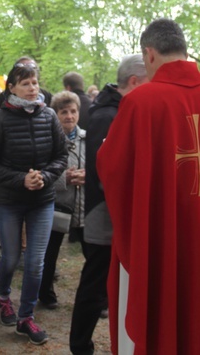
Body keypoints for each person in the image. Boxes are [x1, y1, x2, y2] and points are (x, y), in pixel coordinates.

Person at [98, 19, 200, 354]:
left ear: (149, 54)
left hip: (163, 234)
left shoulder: (140, 102)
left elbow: (112, 167)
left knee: (165, 298)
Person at [0, 62, 68, 346]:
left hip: (42, 199)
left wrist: (45, 176)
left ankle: (25, 317)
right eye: (26, 83)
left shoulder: (50, 115)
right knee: (11, 257)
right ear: (12, 88)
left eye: (35, 82)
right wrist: (21, 179)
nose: (33, 88)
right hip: (9, 201)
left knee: (36, 262)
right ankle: (4, 297)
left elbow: (61, 156)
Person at [70, 54, 147, 355]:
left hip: (114, 209)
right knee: (95, 281)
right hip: (106, 211)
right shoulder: (107, 115)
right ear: (134, 81)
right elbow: (107, 171)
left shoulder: (117, 109)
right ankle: (79, 345)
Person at [38, 90, 86, 309]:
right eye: (64, 112)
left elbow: (98, 165)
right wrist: (63, 178)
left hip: (83, 204)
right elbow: (41, 172)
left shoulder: (87, 138)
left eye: (73, 111)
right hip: (56, 203)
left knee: (93, 253)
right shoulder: (48, 140)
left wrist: (87, 174)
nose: (69, 116)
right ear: (56, 114)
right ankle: (46, 294)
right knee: (50, 252)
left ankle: (95, 298)